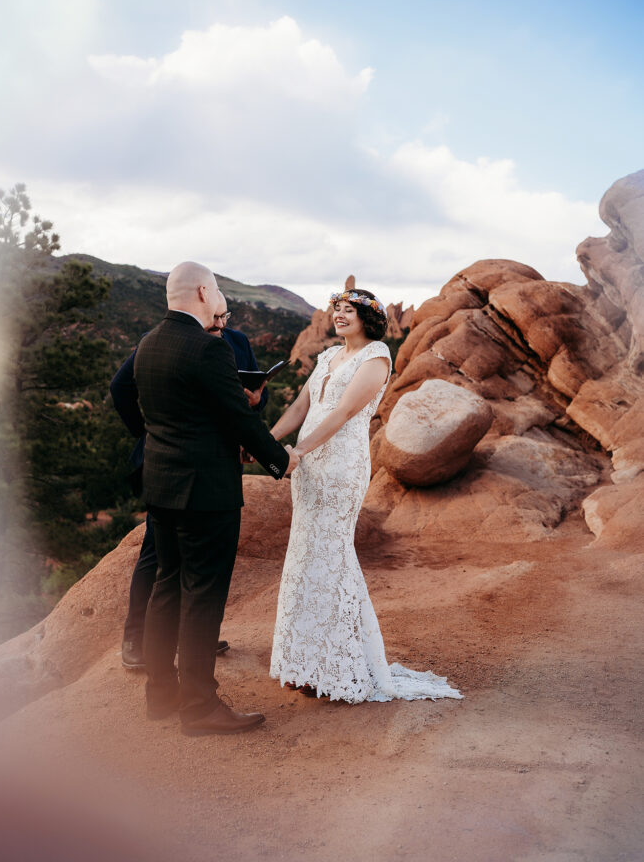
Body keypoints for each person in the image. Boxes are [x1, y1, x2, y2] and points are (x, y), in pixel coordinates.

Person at [269, 288, 462, 703]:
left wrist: (298, 451)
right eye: (336, 309)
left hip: (339, 466)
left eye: (349, 309)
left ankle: (337, 667)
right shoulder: (325, 357)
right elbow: (304, 405)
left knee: (330, 557)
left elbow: (341, 414)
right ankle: (305, 663)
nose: (339, 315)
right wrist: (267, 441)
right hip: (308, 470)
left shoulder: (375, 357)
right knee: (304, 556)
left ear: (368, 317)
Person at [133, 261, 298, 736]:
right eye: (219, 289)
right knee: (202, 600)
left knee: (166, 588)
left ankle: (161, 695)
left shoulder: (148, 344)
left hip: (162, 488)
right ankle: (201, 708)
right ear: (204, 292)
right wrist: (280, 461)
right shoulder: (208, 349)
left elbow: (185, 414)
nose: (222, 297)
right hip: (205, 494)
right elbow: (239, 421)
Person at [110, 292, 267, 669]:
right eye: (217, 312)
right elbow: (121, 387)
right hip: (172, 465)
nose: (222, 319)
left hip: (215, 463)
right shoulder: (164, 339)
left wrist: (256, 401)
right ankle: (135, 639)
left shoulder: (238, 342)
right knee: (157, 555)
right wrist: (151, 433)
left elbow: (255, 399)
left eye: (226, 313)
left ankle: (193, 639)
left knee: (196, 564)